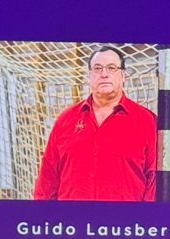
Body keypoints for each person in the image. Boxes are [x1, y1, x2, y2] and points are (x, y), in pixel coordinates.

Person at [32, 45, 157, 201]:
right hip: (72, 222)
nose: (104, 74)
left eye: (111, 68)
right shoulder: (65, 120)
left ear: (123, 75)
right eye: (97, 69)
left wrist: (149, 220)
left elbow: (154, 179)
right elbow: (47, 177)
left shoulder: (146, 121)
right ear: (90, 76)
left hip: (123, 223)